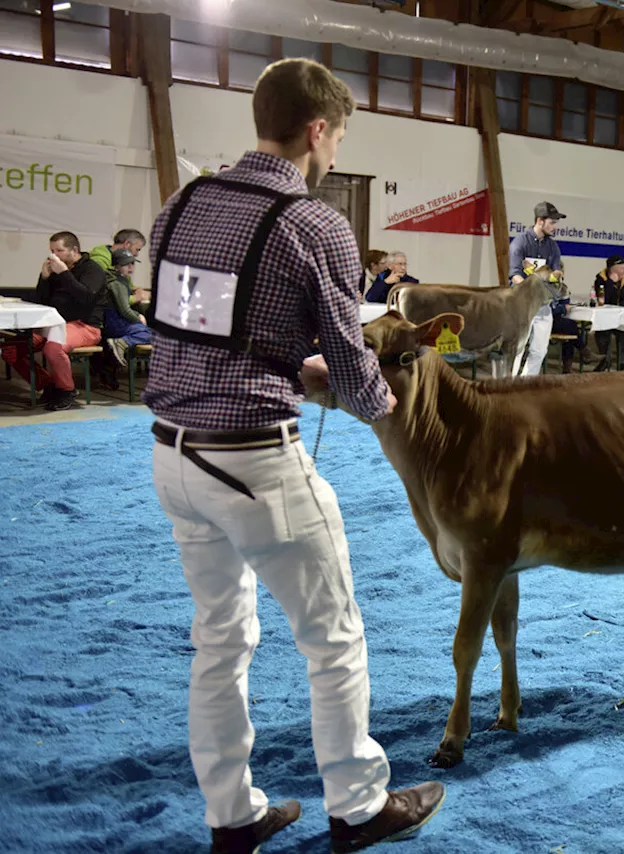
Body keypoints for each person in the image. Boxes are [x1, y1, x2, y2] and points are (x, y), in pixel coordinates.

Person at [142, 58, 444, 854]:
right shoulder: (316, 225)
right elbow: (351, 365)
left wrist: (282, 363)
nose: (337, 153)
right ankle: (358, 805)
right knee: (333, 638)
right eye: (338, 137)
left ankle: (232, 816)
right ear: (317, 130)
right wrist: (383, 407)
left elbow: (190, 328)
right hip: (254, 463)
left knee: (219, 640)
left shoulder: (182, 204)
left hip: (174, 457)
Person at [1, 231, 108, 411]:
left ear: (74, 250)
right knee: (11, 349)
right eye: (52, 250)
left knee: (53, 348)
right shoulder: (56, 269)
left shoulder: (92, 269)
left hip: (85, 325)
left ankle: (67, 390)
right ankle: (49, 386)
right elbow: (40, 302)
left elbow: (86, 297)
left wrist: (64, 273)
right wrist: (44, 278)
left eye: (59, 250)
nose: (53, 255)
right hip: (52, 324)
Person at [508, 201, 566, 376]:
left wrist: (550, 275)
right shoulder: (519, 243)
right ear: (540, 221)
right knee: (517, 350)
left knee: (539, 351)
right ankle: (508, 385)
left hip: (543, 306)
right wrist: (534, 283)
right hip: (522, 306)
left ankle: (526, 384)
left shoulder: (552, 246)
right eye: (552, 222)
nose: (555, 227)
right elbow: (515, 275)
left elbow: (556, 271)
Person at [98, 248, 153, 387]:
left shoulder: (118, 280)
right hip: (116, 323)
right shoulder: (117, 283)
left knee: (147, 332)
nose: (131, 267)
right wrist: (138, 317)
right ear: (116, 265)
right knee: (151, 335)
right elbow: (124, 310)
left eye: (132, 264)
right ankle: (122, 342)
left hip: (115, 322)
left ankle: (120, 343)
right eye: (126, 264)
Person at [592, 254, 624, 371]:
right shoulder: (600, 280)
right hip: (606, 318)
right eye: (621, 268)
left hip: (623, 318)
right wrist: (610, 283)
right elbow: (603, 300)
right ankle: (605, 361)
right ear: (613, 269)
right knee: (601, 332)